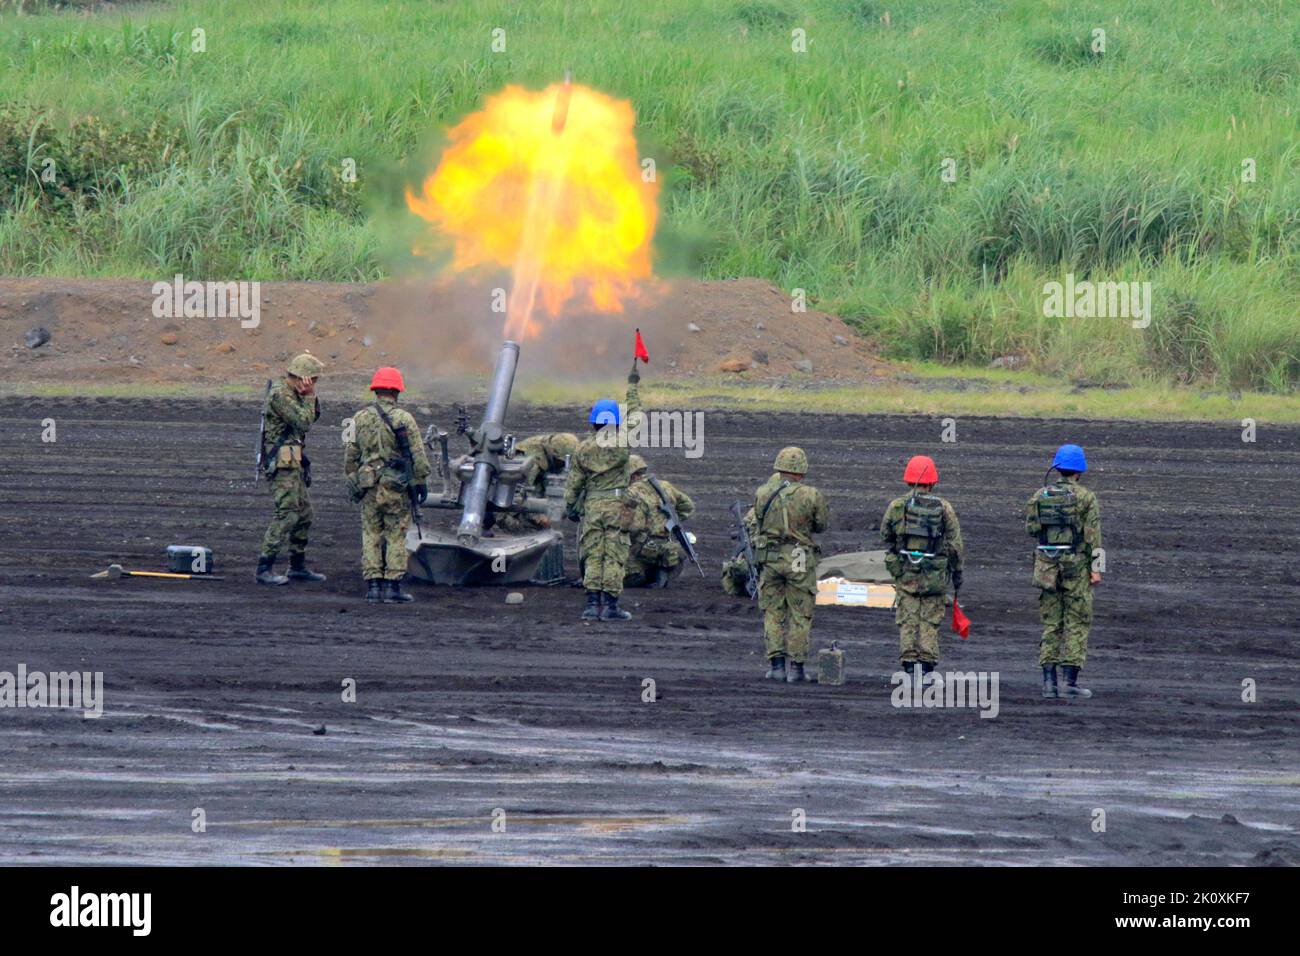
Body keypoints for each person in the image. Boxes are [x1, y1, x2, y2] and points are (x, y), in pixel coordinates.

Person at [343, 367, 431, 604]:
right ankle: (393, 587)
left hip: (368, 486)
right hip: (396, 488)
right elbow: (418, 457)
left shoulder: (358, 418)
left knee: (370, 533)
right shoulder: (405, 419)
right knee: (395, 535)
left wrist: (354, 479)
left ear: (376, 390)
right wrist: (420, 483)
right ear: (396, 392)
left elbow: (350, 455)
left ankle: (372, 587)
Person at [565, 370, 644, 621]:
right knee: (614, 554)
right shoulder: (622, 441)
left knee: (592, 552)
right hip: (617, 505)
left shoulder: (582, 449)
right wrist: (632, 386)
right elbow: (636, 415)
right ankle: (611, 607)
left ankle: (591, 605)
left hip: (593, 505)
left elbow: (574, 483)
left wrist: (570, 507)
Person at [1026, 444, 1102, 698]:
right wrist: (1096, 570)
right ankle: (1069, 683)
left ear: (1057, 468)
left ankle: (1049, 684)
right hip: (1076, 568)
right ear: (1079, 471)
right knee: (1077, 622)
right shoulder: (1087, 498)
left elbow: (1031, 529)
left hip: (1046, 567)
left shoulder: (1040, 495)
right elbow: (1093, 538)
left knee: (1051, 624)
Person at [880, 455, 964, 681]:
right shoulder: (943, 507)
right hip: (934, 574)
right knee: (929, 621)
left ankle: (908, 667)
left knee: (907, 619)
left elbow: (885, 535)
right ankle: (926, 670)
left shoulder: (897, 506)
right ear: (933, 481)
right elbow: (955, 545)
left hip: (906, 571)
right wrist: (957, 572)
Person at [752, 447, 828, 683]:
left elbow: (757, 519)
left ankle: (776, 667)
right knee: (799, 614)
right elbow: (821, 525)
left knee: (773, 613)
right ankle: (796, 669)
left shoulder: (763, 492)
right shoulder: (811, 494)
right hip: (799, 558)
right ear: (801, 470)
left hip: (771, 558)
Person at [256, 353, 327, 586]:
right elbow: (303, 422)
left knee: (305, 514)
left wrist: (309, 397)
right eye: (312, 380)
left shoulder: (295, 394)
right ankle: (264, 568)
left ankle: (297, 566)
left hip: (293, 461)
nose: (313, 384)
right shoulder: (280, 395)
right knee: (286, 514)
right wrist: (308, 397)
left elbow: (313, 416)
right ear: (301, 378)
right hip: (282, 463)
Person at [623, 454, 696, 588]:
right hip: (665, 547)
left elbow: (635, 527)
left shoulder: (632, 492)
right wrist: (669, 522)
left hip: (641, 549)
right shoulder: (665, 486)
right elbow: (688, 506)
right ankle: (661, 572)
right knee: (675, 550)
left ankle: (646, 573)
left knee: (627, 577)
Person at [495, 432, 579, 533]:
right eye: (562, 462)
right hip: (508, 497)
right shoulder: (532, 462)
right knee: (532, 530)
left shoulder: (551, 447)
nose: (563, 465)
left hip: (532, 486)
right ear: (554, 454)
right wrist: (538, 517)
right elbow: (520, 495)